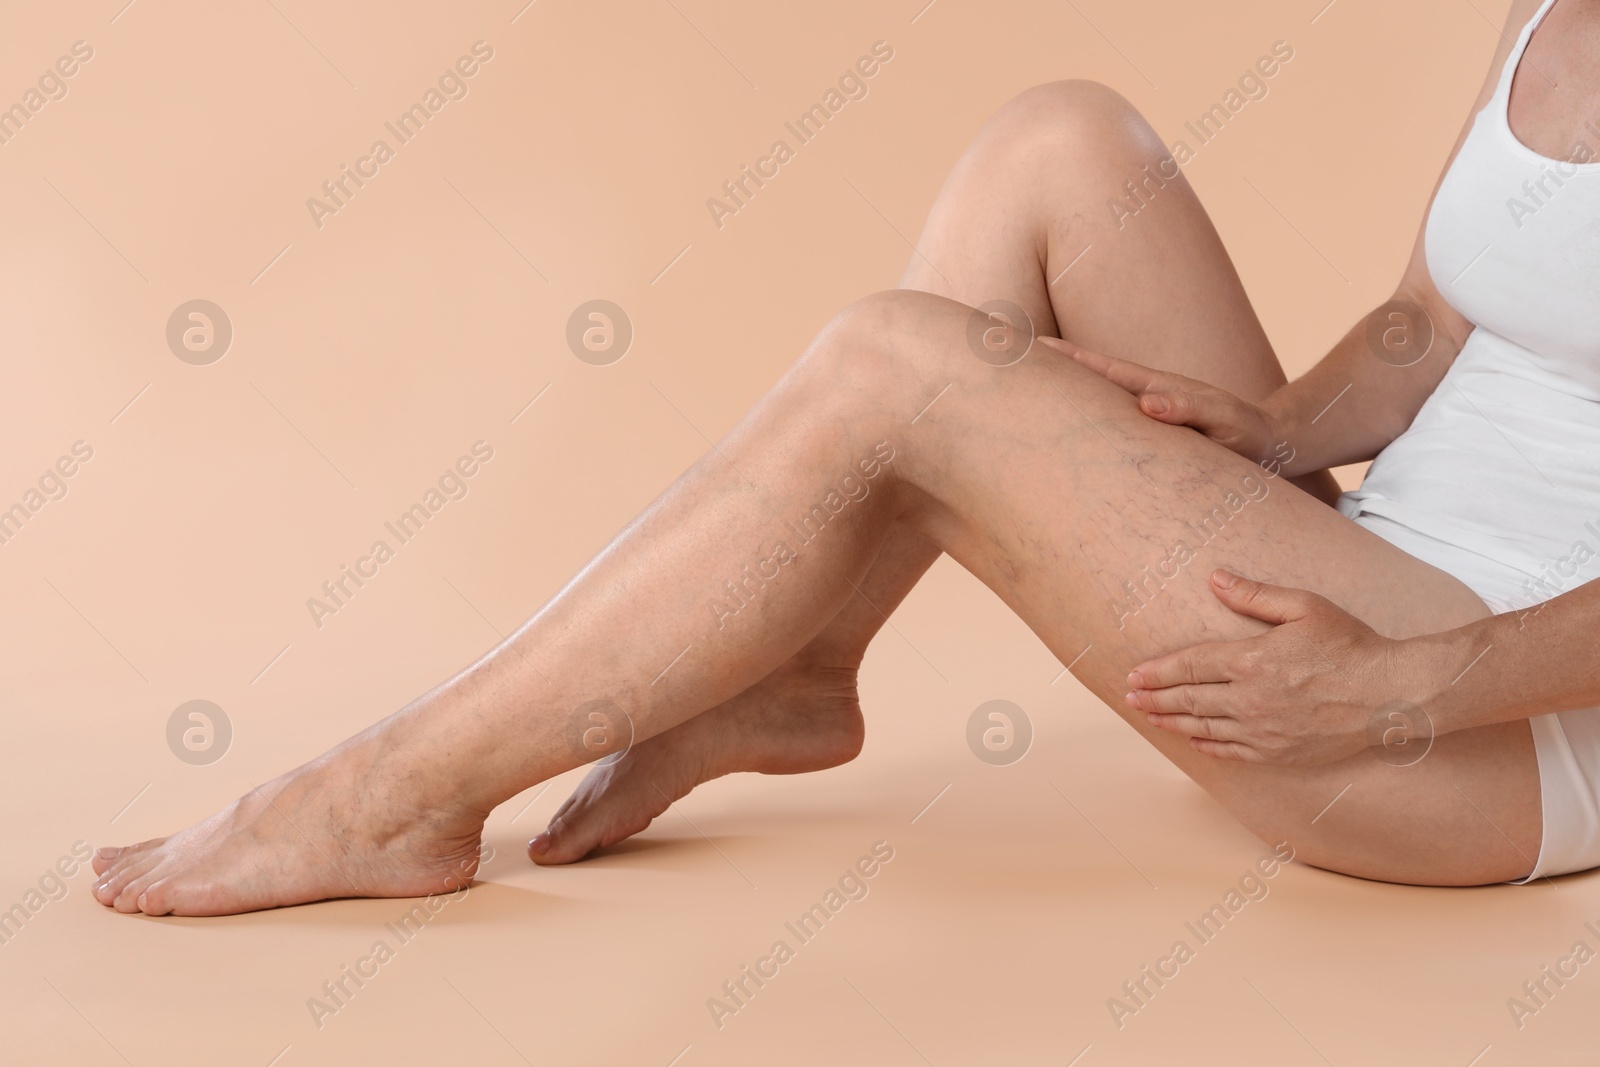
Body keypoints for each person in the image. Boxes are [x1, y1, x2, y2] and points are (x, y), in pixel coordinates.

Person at [93, 0, 1600, 915]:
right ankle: (805, 667)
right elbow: (1425, 320)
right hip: (1374, 569)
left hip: (1487, 731)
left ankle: (387, 796)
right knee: (1054, 145)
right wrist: (1272, 435)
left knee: (898, 365)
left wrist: (1391, 683)